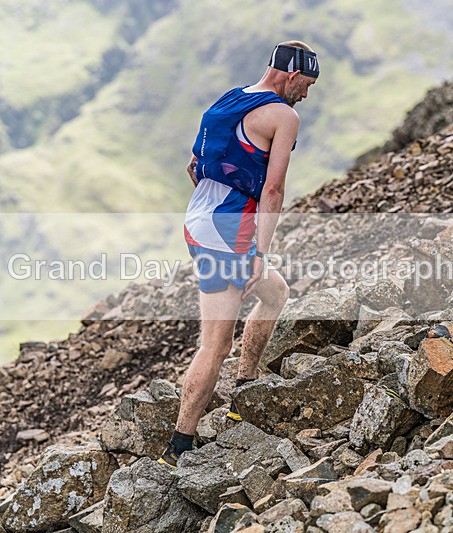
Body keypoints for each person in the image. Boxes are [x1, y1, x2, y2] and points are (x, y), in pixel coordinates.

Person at [160, 41, 319, 467]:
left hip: (200, 222)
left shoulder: (229, 99)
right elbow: (274, 189)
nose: (306, 94)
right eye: (307, 84)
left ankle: (246, 382)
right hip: (228, 235)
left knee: (275, 293)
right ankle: (179, 446)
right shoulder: (284, 116)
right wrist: (259, 253)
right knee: (215, 345)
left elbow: (194, 165)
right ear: (291, 75)